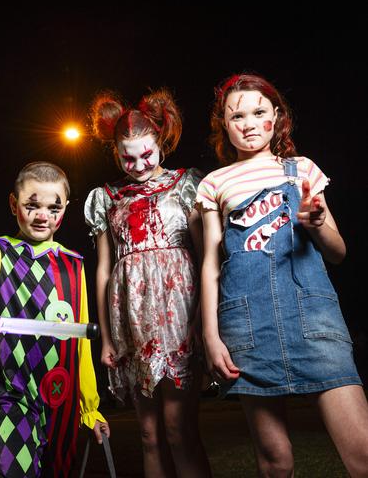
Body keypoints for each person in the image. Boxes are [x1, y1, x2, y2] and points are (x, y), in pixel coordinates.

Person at [197, 73, 368, 476]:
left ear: (277, 115)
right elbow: (209, 263)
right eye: (236, 115)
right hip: (248, 324)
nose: (249, 122)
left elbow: (338, 252)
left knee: (362, 452)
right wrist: (210, 337)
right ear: (224, 124)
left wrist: (318, 223)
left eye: (259, 111)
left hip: (314, 317)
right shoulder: (214, 184)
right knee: (275, 461)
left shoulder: (302, 169)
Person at [0, 161, 110, 477]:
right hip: (12, 393)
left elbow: (79, 346)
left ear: (65, 209)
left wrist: (90, 407)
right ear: (14, 204)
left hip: (62, 398)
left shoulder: (73, 265)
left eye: (52, 208)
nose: (43, 215)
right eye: (32, 205)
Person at [85, 89, 211, 477]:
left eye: (146, 154)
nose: (138, 164)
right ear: (115, 152)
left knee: (178, 429)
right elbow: (104, 270)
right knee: (147, 434)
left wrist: (205, 323)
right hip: (131, 322)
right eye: (128, 157)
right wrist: (107, 337)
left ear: (161, 144)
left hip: (179, 316)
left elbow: (207, 256)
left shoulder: (185, 184)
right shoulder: (106, 198)